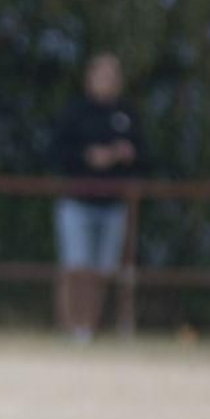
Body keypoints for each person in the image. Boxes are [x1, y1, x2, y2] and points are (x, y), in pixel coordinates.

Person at [51, 52, 141, 341]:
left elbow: (146, 156)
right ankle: (69, 329)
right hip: (77, 201)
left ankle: (88, 329)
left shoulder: (127, 114)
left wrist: (123, 155)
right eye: (102, 75)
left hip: (113, 205)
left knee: (103, 271)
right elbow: (57, 154)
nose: (107, 81)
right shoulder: (75, 112)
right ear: (89, 78)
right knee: (75, 268)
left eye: (112, 76)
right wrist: (88, 158)